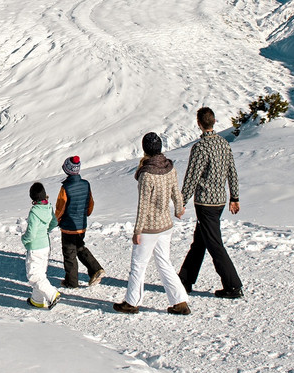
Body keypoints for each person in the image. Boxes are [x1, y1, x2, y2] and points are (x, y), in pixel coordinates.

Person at [113, 132, 190, 315]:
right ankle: (180, 301)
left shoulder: (147, 174)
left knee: (138, 265)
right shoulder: (169, 167)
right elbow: (175, 192)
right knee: (164, 262)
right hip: (165, 225)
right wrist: (179, 208)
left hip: (149, 227)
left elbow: (143, 206)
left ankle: (132, 302)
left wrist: (137, 230)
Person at [177, 106, 244, 299]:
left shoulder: (200, 147)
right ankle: (184, 279)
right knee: (200, 240)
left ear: (199, 123)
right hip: (220, 201)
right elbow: (232, 171)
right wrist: (235, 197)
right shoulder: (224, 144)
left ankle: (233, 285)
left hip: (205, 202)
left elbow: (191, 177)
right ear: (214, 121)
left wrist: (181, 202)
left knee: (214, 243)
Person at [55, 156, 105, 288]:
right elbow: (90, 203)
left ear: (67, 170)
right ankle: (96, 269)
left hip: (68, 227)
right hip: (81, 225)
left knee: (69, 253)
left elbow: (61, 208)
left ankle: (71, 282)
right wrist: (85, 214)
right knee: (79, 247)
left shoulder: (65, 188)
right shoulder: (85, 184)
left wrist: (56, 220)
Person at [22, 182, 61, 309]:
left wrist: (24, 239)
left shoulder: (34, 212)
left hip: (35, 247)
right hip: (45, 245)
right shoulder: (48, 207)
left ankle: (52, 294)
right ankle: (37, 300)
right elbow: (54, 222)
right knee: (40, 273)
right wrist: (45, 231)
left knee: (34, 275)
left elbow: (31, 233)